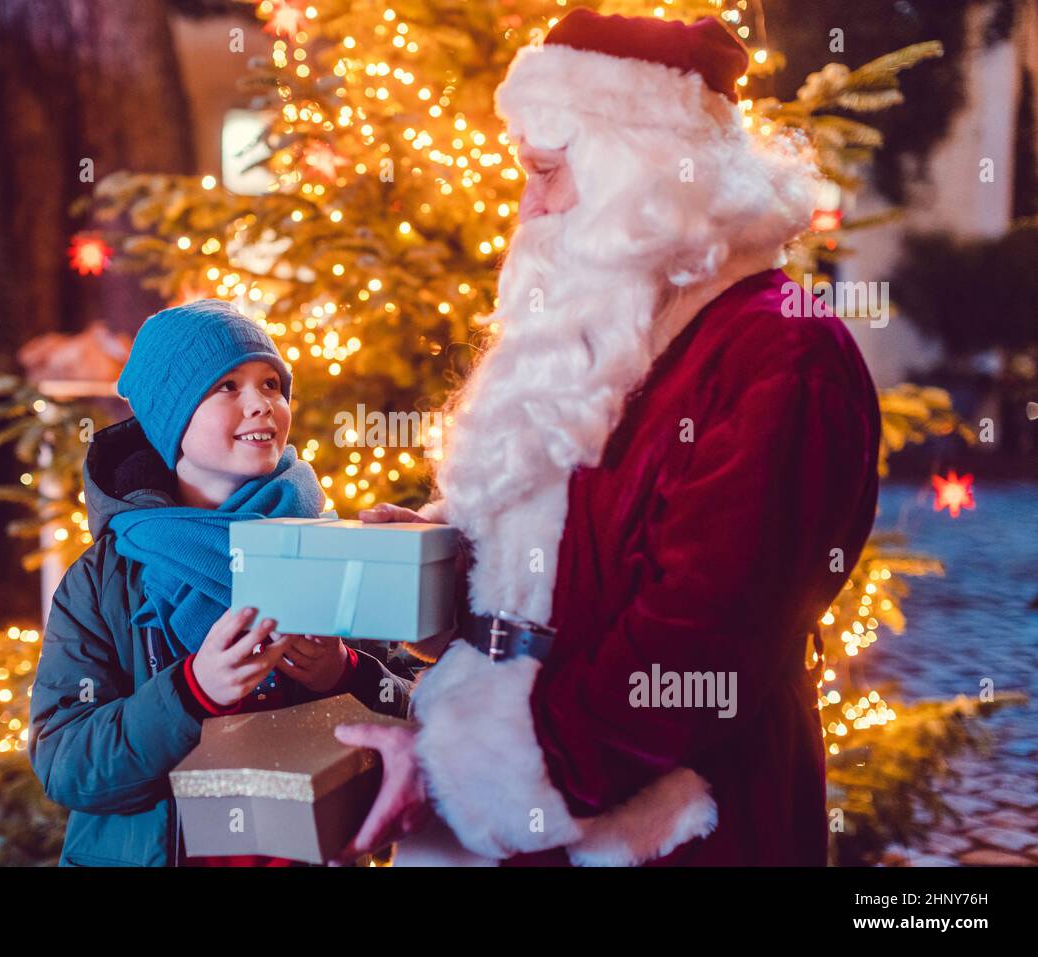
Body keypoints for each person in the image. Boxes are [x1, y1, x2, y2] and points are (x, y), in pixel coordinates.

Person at [337, 9, 881, 866]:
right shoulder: (613, 325)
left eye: (549, 173)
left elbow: (695, 650)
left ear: (644, 174)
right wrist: (448, 567)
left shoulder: (781, 352)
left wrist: (467, 770)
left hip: (685, 833)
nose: (531, 206)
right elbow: (567, 551)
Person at [29, 299, 411, 867]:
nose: (262, 405)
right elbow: (68, 765)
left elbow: (418, 717)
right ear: (172, 417)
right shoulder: (107, 579)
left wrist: (346, 673)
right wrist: (190, 691)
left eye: (273, 385)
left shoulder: (330, 548)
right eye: (227, 387)